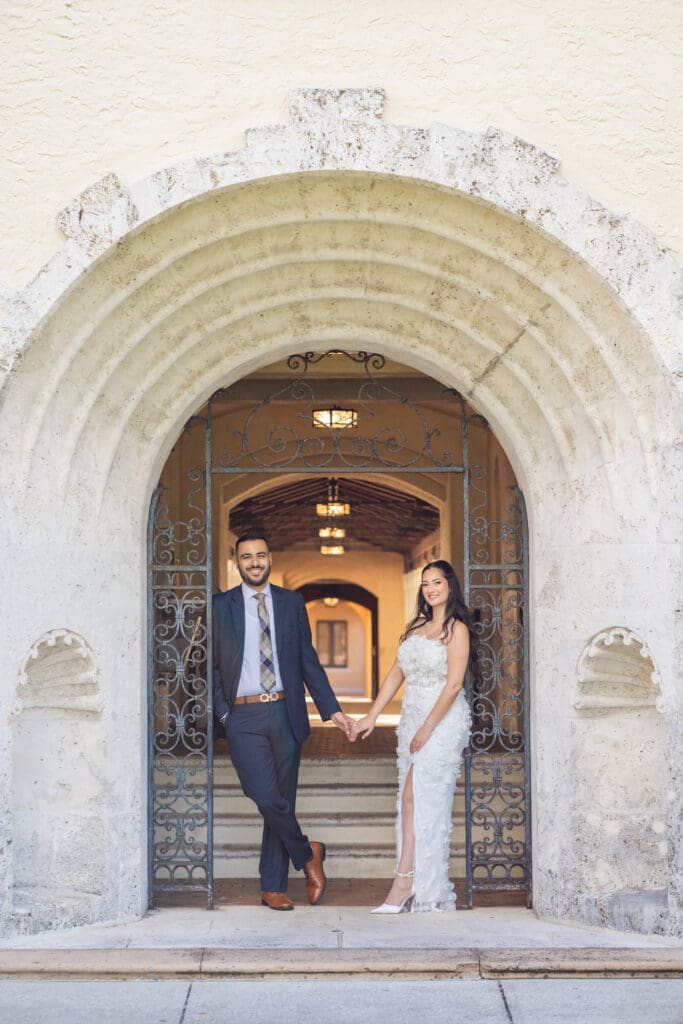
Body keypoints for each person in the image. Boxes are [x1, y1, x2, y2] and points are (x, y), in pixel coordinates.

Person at [212, 529, 354, 911]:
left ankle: (272, 886)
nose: (254, 562)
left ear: (270, 558)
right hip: (241, 713)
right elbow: (206, 667)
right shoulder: (220, 605)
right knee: (264, 795)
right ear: (238, 562)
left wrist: (333, 709)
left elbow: (307, 659)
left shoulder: (291, 603)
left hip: (285, 711)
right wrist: (222, 712)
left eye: (260, 555)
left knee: (282, 800)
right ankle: (308, 852)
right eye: (246, 557)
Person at [350, 559, 472, 913]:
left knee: (416, 799)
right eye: (425, 584)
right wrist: (371, 715)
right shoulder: (417, 626)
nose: (431, 589)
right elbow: (395, 674)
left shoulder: (456, 629)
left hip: (442, 722)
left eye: (437, 582)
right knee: (410, 801)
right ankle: (415, 883)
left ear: (450, 585)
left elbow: (453, 685)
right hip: (412, 719)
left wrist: (429, 727)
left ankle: (406, 883)